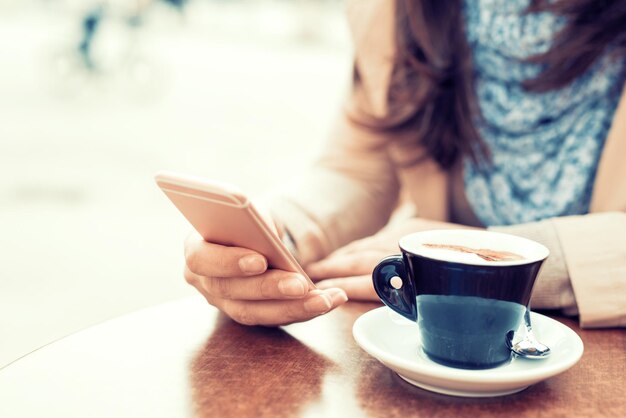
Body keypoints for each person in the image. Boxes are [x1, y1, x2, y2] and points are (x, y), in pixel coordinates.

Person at [183, 0, 626, 328]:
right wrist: (282, 231)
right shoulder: (395, 12)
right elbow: (357, 169)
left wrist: (474, 263)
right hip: (431, 344)